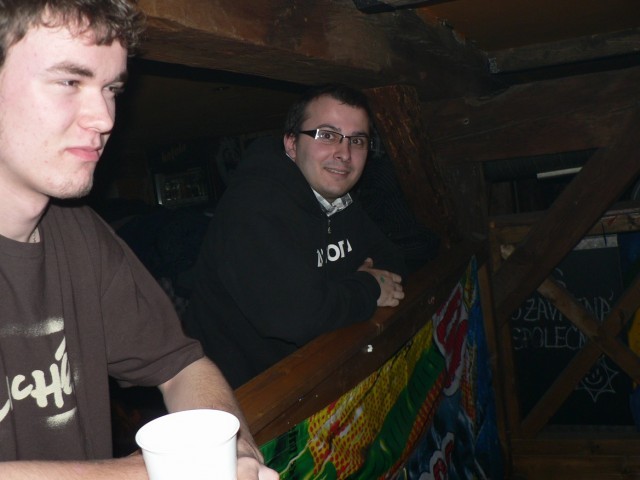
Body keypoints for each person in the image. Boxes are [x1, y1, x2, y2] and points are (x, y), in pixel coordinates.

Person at [0, 1, 278, 479]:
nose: (105, 118)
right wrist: (157, 472)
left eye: (111, 89)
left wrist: (232, 453)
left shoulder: (79, 232)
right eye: (69, 81)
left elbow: (182, 366)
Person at [185, 84, 407, 388]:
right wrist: (368, 286)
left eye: (357, 140)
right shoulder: (253, 206)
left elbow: (393, 262)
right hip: (242, 395)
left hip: (313, 371)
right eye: (327, 135)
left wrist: (335, 295)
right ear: (291, 144)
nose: (344, 153)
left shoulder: (340, 201)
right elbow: (296, 317)